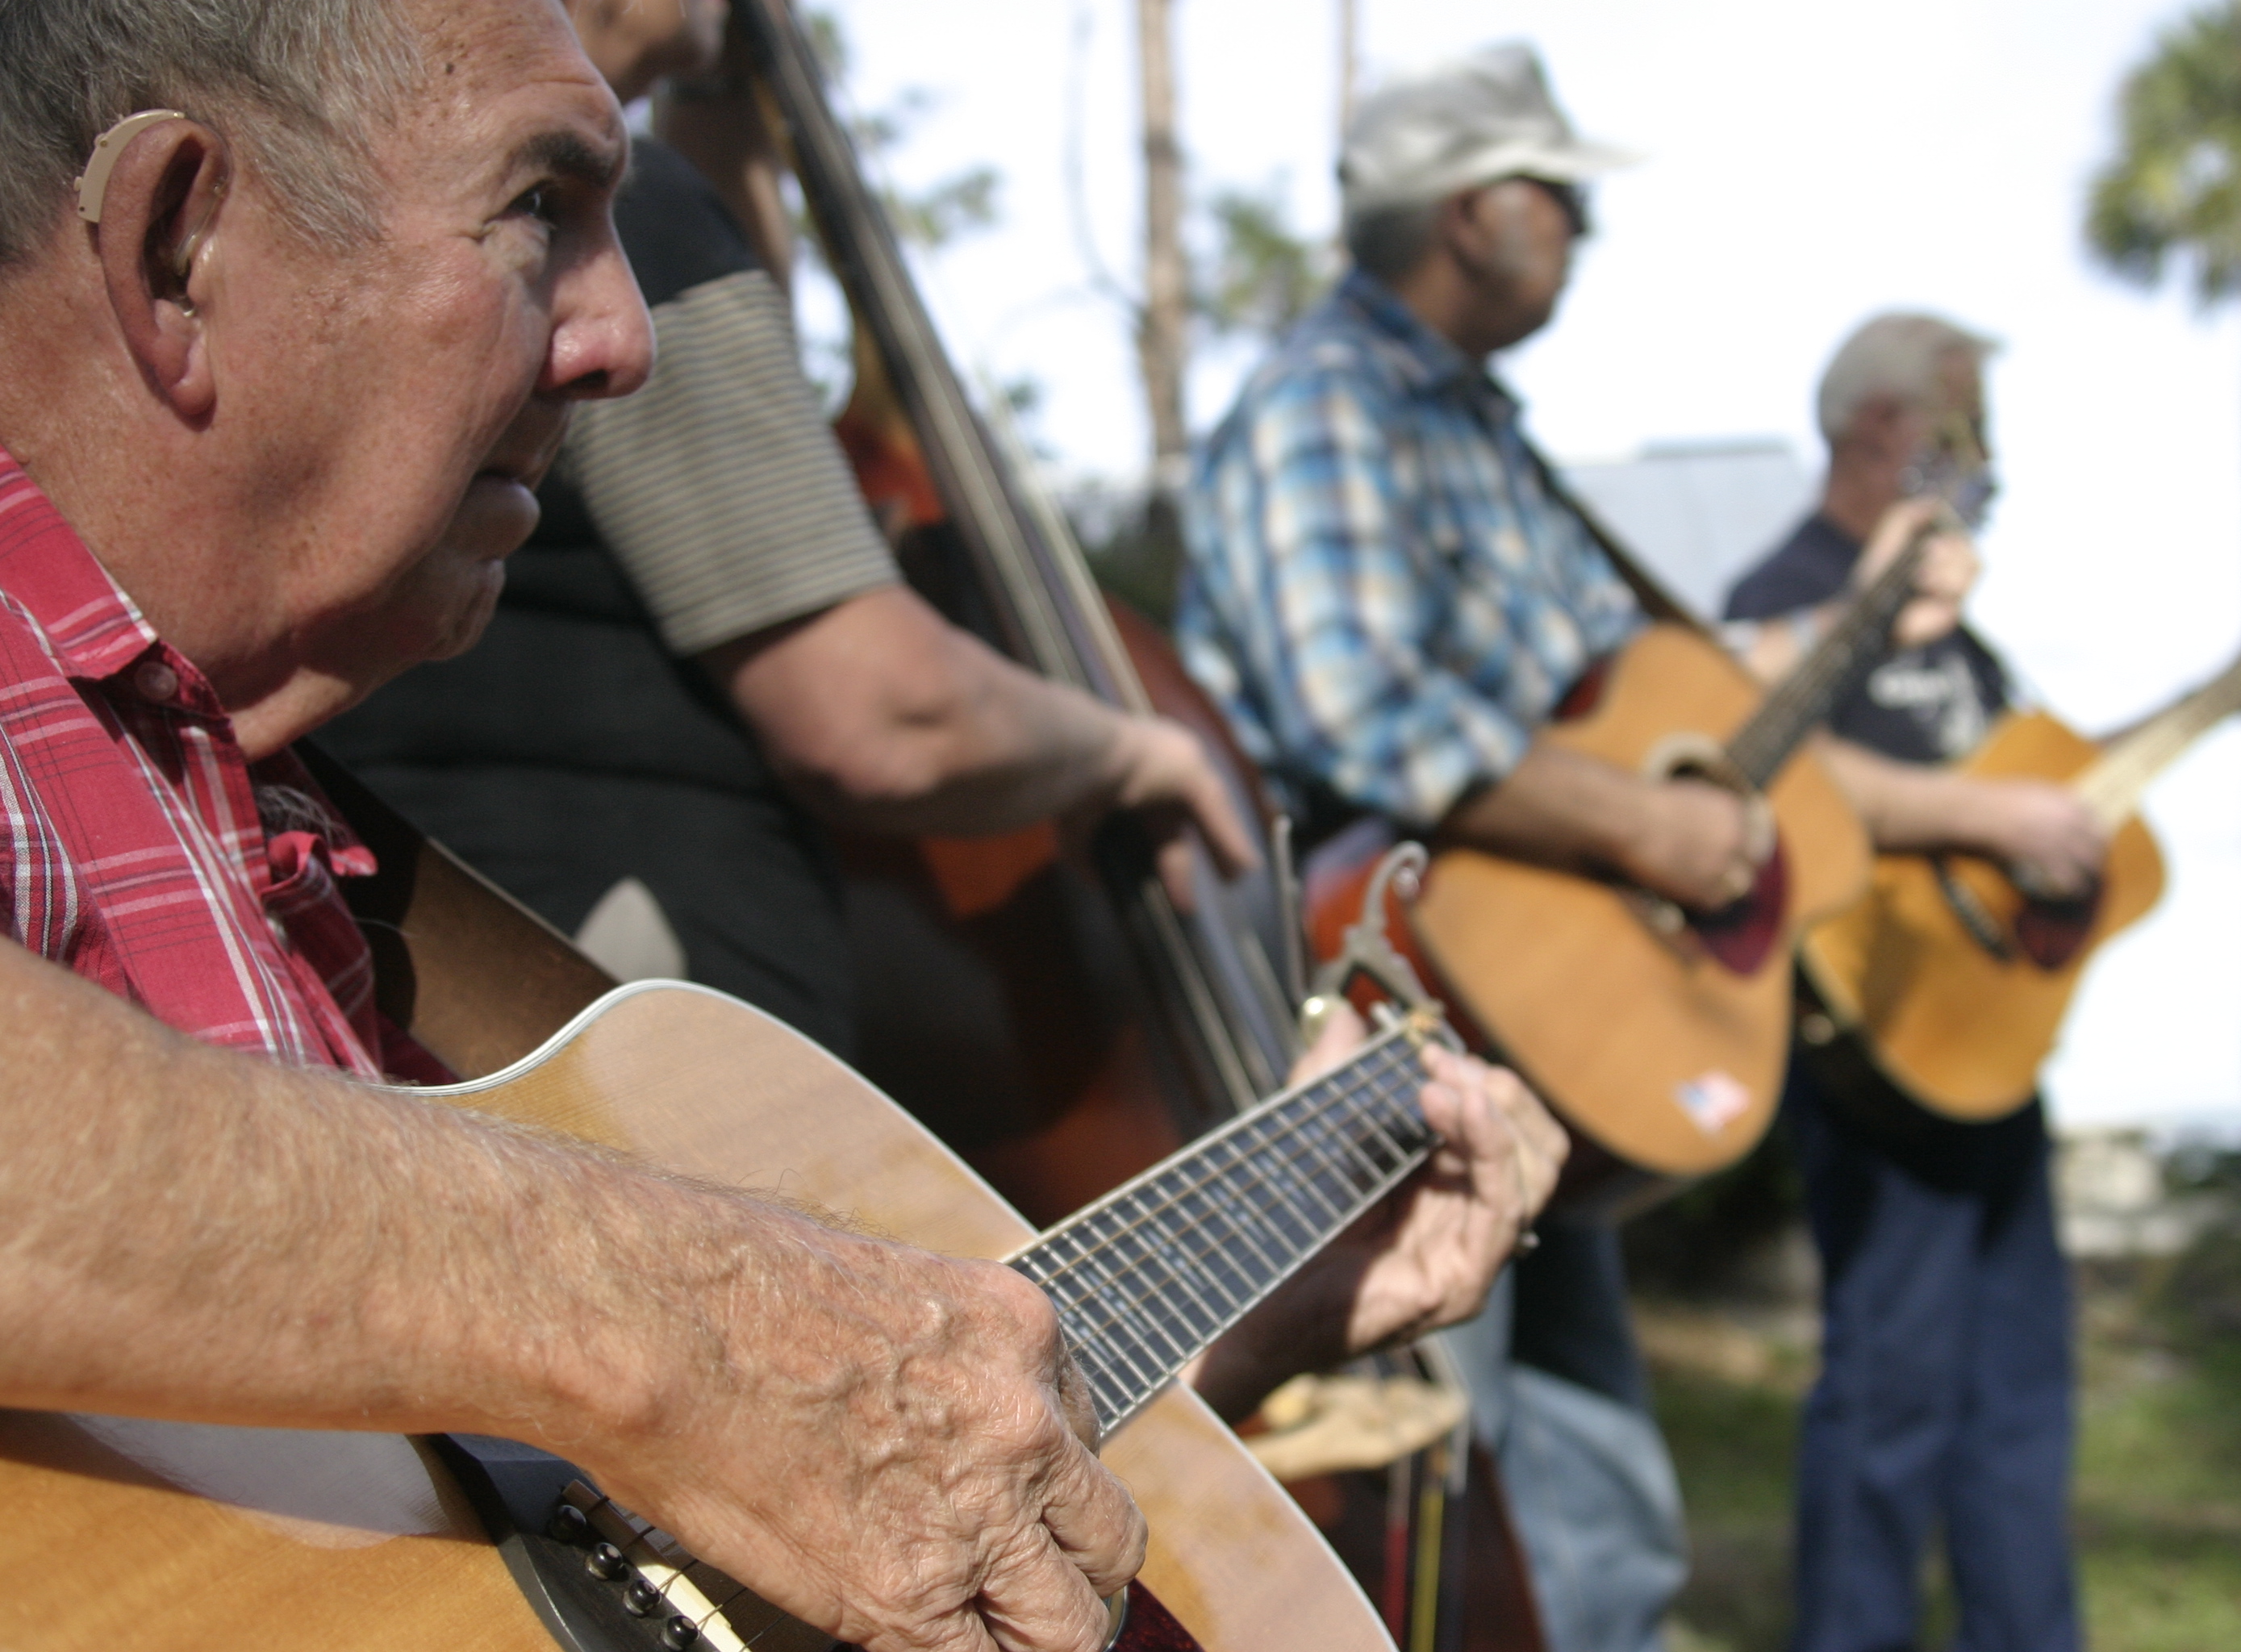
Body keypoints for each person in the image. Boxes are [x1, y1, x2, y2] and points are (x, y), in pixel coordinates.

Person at [0, 3, 1559, 1648]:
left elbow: (488, 1554)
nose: (622, 337)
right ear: (182, 250)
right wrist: (688, 1327)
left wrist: (1152, 1336)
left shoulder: (290, 838)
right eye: (539, 207)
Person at [1176, 44, 1975, 1652]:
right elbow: (1366, 716)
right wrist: (1654, 826)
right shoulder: (1327, 403)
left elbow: (1649, 694)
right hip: (1367, 1022)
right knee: (1412, 1512)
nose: (1583, 236)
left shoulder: (1487, 434)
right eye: (1561, 199)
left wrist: (1858, 613)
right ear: (1474, 215)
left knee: (1604, 1527)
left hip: (1545, 1038)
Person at [320, 0, 1254, 1076]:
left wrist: (724, 83)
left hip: (445, 988)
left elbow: (745, 303)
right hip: (646, 1043)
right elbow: (880, 714)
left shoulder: (419, 181)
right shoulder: (627, 224)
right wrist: (1128, 749)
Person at [1722, 311, 2241, 1652]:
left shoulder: (1961, 639)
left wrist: (2225, 692)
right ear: (1886, 429)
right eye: (1964, 431)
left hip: (1991, 1055)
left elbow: (2047, 788)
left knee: (2018, 1408)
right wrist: (1982, 824)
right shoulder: (1795, 596)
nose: (1987, 462)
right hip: (1883, 1051)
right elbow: (1761, 771)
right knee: (1889, 1403)